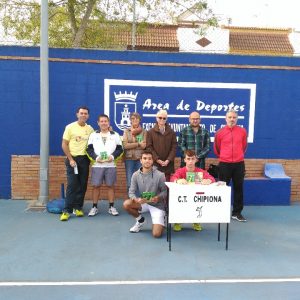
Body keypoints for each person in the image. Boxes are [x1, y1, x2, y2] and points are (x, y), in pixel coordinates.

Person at [60, 106, 94, 221]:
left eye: (85, 114)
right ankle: (67, 210)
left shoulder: (90, 129)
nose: (83, 115)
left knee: (82, 184)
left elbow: (97, 139)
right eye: (81, 113)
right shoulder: (70, 127)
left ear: (88, 116)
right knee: (72, 185)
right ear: (77, 114)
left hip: (84, 160)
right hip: (72, 159)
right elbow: (64, 144)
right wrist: (70, 159)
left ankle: (78, 207)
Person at [123, 150, 167, 238]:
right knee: (126, 204)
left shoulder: (160, 175)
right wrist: (137, 199)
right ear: (141, 160)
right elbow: (131, 192)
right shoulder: (135, 175)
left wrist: (157, 198)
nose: (147, 161)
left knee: (156, 234)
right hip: (144, 202)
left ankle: (163, 219)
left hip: (157, 205)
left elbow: (165, 191)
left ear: (152, 161)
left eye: (149, 159)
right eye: (145, 158)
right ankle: (140, 221)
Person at [214, 109, 248, 222]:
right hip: (224, 164)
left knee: (239, 189)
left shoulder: (243, 131)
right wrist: (225, 157)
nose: (232, 119)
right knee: (222, 189)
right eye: (230, 117)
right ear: (226, 118)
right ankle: (220, 212)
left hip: (239, 164)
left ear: (237, 119)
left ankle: (236, 213)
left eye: (234, 117)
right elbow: (217, 149)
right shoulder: (219, 133)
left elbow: (244, 147)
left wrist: (237, 156)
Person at [86, 114, 123, 217]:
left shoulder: (115, 134)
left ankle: (111, 207)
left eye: (105, 121)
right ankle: (94, 207)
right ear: (98, 123)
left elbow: (120, 149)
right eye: (101, 121)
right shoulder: (93, 135)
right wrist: (96, 158)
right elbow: (89, 149)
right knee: (96, 186)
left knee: (110, 186)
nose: (104, 123)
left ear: (108, 122)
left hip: (111, 165)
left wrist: (112, 156)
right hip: (97, 165)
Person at [170, 149, 215, 232]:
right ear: (184, 160)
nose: (190, 162)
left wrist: (209, 180)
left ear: (196, 160)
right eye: (188, 159)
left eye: (192, 159)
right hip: (183, 197)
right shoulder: (181, 171)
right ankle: (178, 222)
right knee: (177, 202)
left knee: (198, 204)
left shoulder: (200, 171)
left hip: (195, 197)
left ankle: (196, 221)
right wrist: (177, 180)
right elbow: (173, 178)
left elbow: (211, 178)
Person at [146, 109, 177, 181]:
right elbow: (149, 147)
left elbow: (174, 147)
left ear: (166, 119)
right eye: (160, 117)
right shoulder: (150, 132)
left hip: (168, 165)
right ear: (156, 118)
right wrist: (157, 159)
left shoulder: (172, 132)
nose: (162, 119)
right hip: (155, 164)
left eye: (164, 118)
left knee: (166, 187)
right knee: (154, 187)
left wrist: (168, 160)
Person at [123, 112, 147, 194]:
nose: (135, 120)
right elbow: (125, 145)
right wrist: (137, 144)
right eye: (133, 118)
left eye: (137, 118)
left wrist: (132, 144)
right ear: (130, 120)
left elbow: (144, 146)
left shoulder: (144, 132)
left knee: (140, 180)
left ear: (140, 120)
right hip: (129, 159)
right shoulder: (126, 131)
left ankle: (138, 202)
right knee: (130, 180)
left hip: (139, 159)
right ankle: (131, 201)